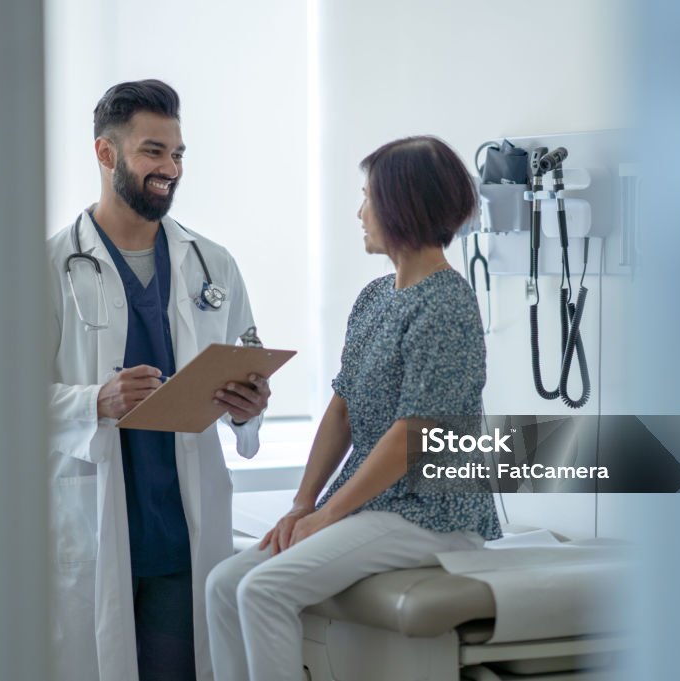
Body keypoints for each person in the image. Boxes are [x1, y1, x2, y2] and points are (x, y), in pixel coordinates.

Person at [205, 136, 503, 681]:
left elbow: (412, 435)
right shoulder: (375, 297)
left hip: (431, 513)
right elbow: (341, 409)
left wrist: (329, 513)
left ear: (401, 206)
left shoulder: (447, 305)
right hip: (377, 505)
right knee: (224, 583)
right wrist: (302, 503)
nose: (359, 211)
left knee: (265, 589)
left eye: (367, 196)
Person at [47, 80, 270, 681]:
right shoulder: (48, 265)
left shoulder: (212, 262)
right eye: (153, 152)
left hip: (180, 532)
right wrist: (96, 399)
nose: (169, 168)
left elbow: (244, 362)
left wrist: (248, 406)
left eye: (177, 154)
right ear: (105, 154)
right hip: (93, 522)